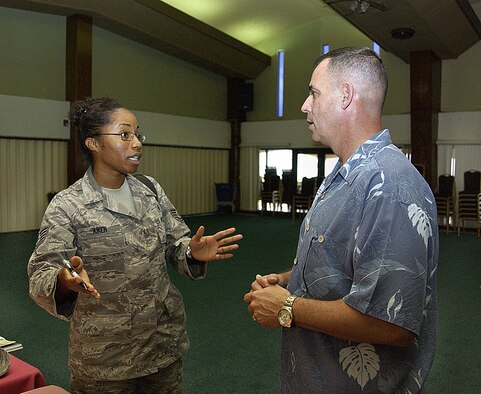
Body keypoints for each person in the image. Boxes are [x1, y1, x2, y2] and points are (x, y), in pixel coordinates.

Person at [244, 47, 438, 393]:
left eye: (313, 93)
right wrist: (290, 279)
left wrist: (287, 307)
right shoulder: (345, 173)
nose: (305, 105)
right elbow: (349, 260)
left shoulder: (389, 184)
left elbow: (391, 325)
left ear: (346, 95)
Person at [28, 97, 243, 393]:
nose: (137, 143)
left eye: (138, 134)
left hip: (162, 348)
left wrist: (191, 251)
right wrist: (64, 280)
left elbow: (175, 243)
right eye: (124, 134)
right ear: (93, 143)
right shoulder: (68, 205)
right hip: (106, 361)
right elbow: (41, 273)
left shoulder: (150, 190)